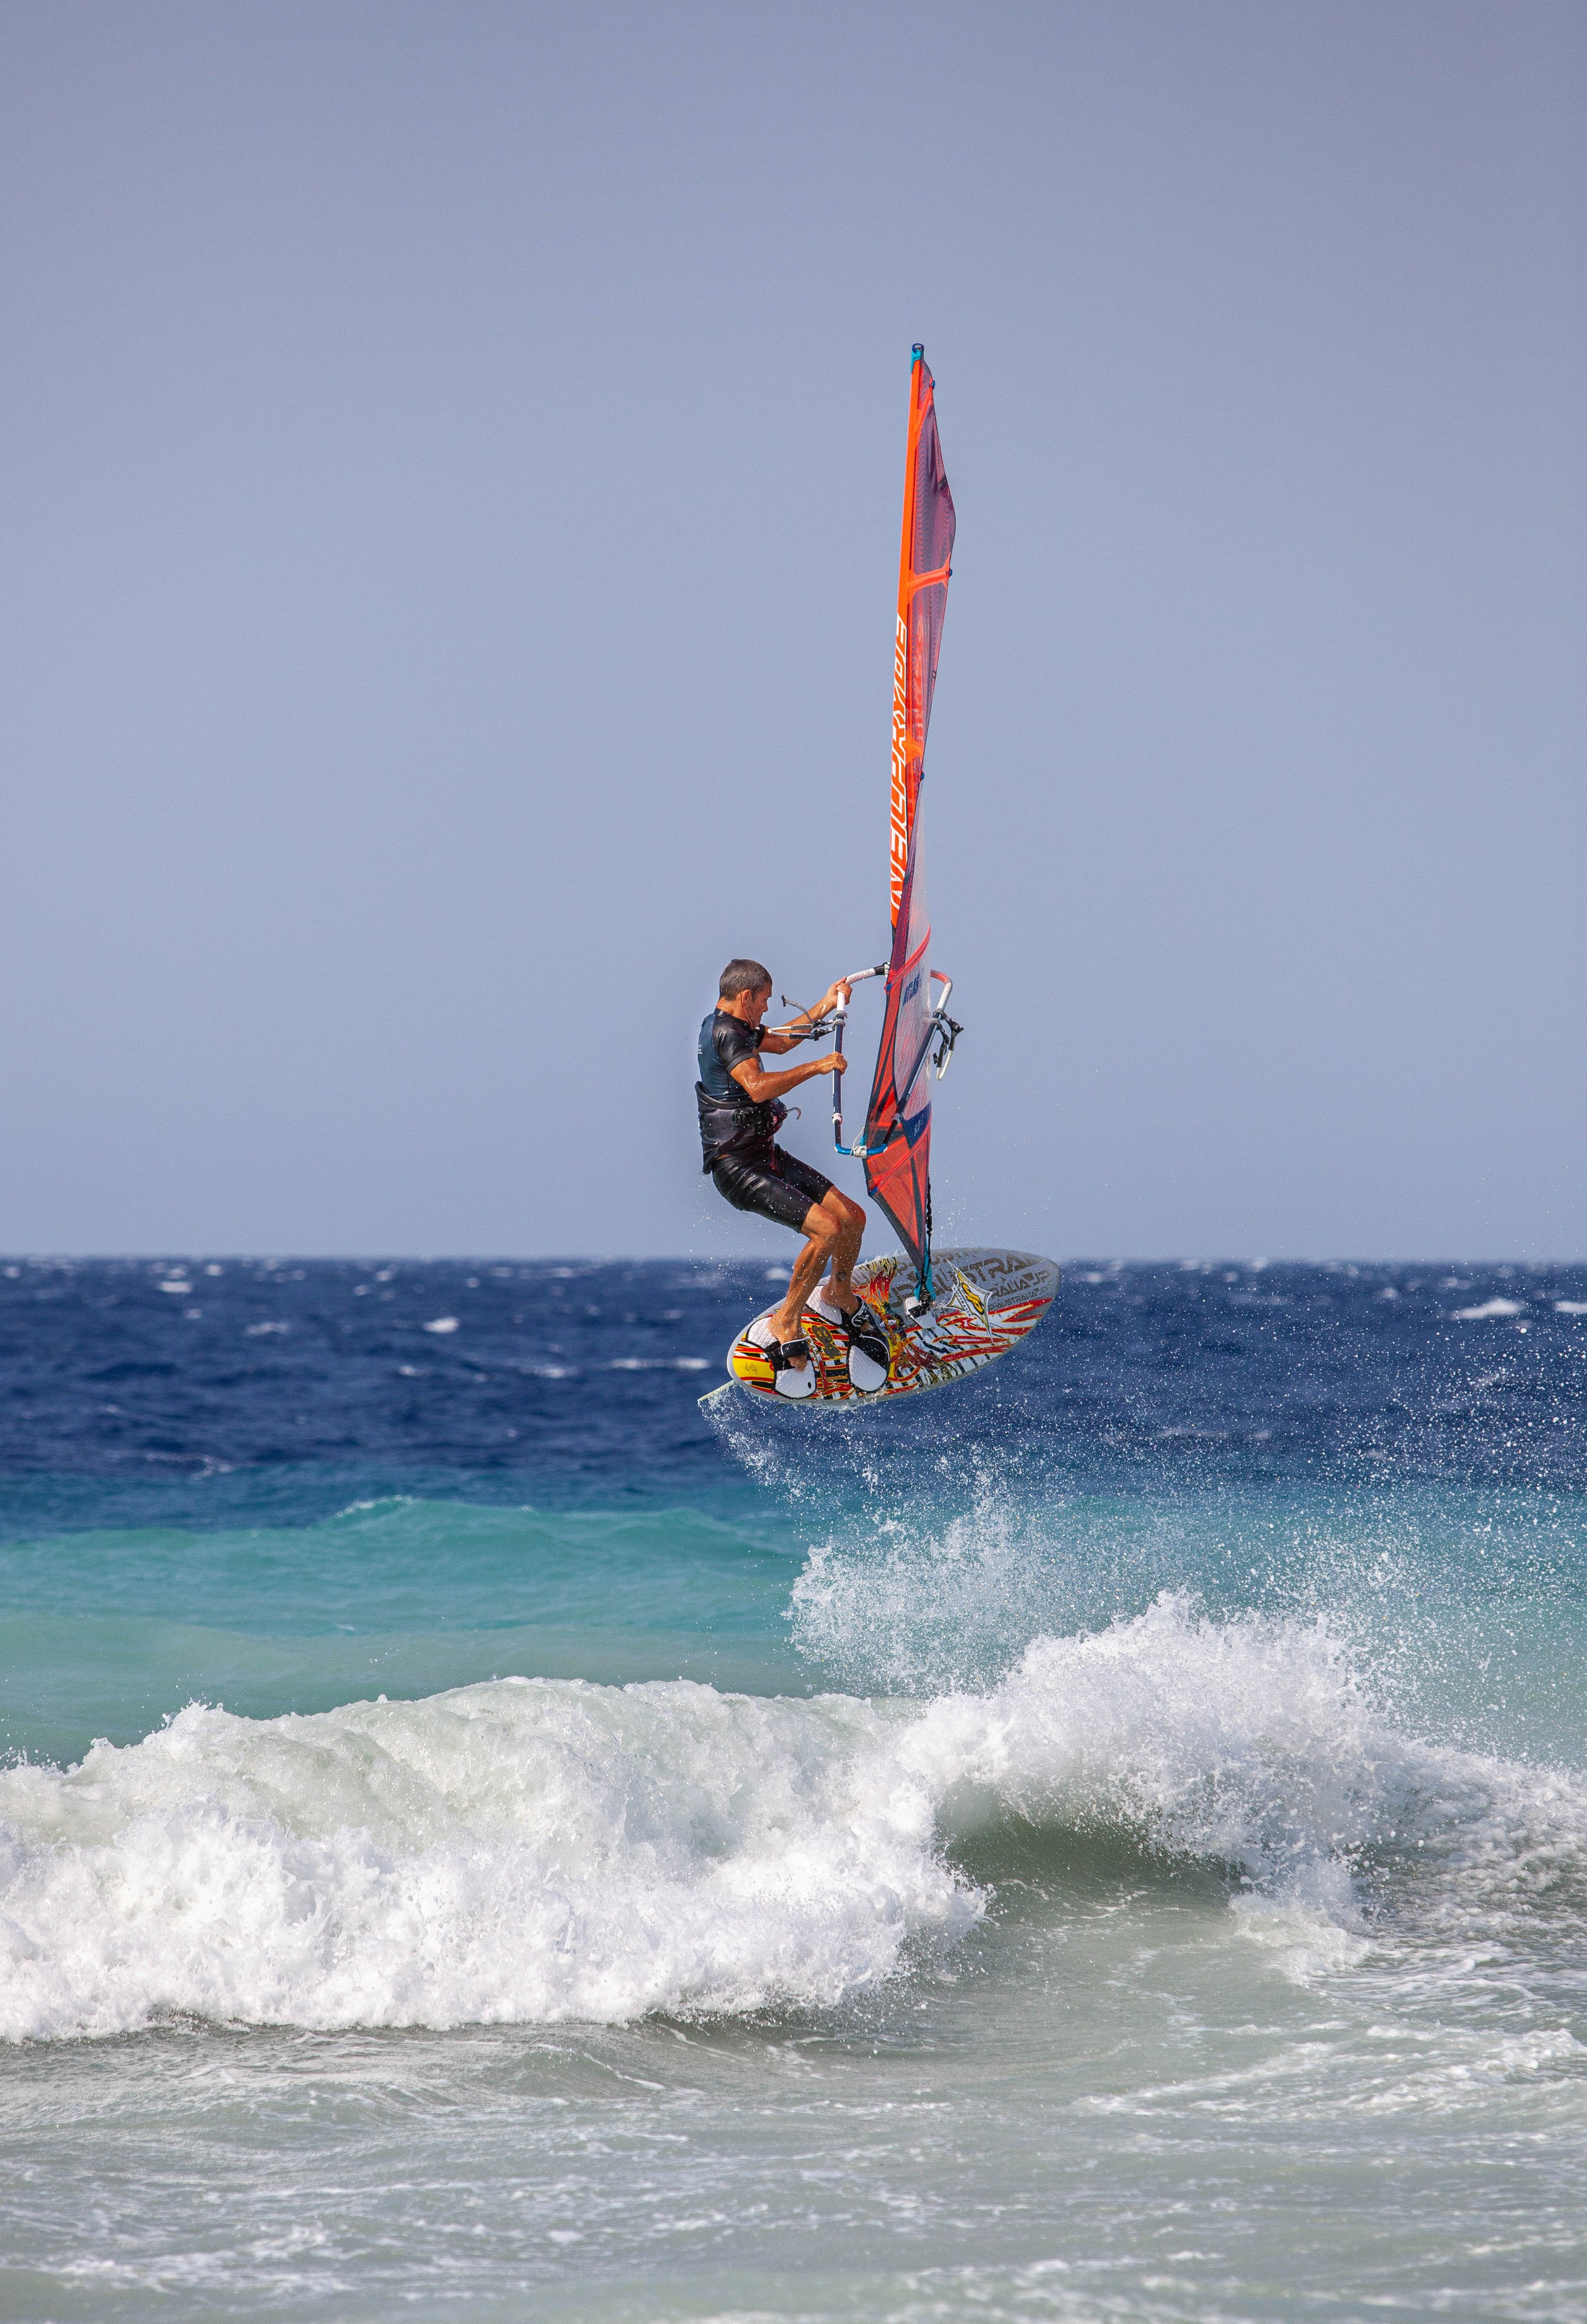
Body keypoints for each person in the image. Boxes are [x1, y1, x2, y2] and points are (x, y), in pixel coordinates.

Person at [697, 958, 891, 1395]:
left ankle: (838, 1295)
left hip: (765, 1156)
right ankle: (786, 1321)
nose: (767, 1008)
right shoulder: (725, 1033)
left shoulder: (738, 1026)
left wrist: (826, 1003)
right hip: (738, 1168)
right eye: (764, 1001)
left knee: (852, 1218)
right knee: (827, 1230)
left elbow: (782, 1042)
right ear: (746, 996)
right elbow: (758, 1088)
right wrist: (818, 1067)